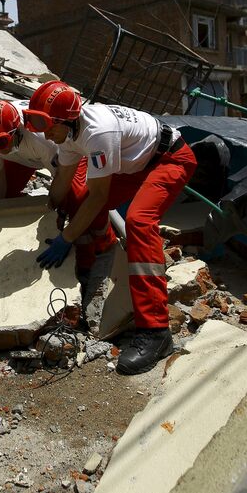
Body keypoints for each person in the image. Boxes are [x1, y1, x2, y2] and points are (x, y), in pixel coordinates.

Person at [26, 81, 198, 375]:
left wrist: (66, 237)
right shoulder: (67, 134)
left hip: (169, 159)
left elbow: (100, 197)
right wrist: (49, 210)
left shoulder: (98, 133)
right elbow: (63, 183)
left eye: (45, 123)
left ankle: (156, 332)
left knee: (139, 221)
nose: (43, 133)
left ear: (67, 119)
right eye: (35, 122)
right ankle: (100, 256)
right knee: (77, 197)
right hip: (134, 161)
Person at [0, 96, 120, 315]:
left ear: (17, 131)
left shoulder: (44, 138)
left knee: (79, 198)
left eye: (0, 143)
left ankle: (102, 247)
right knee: (6, 200)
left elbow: (62, 176)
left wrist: (60, 216)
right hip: (20, 157)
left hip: (63, 157)